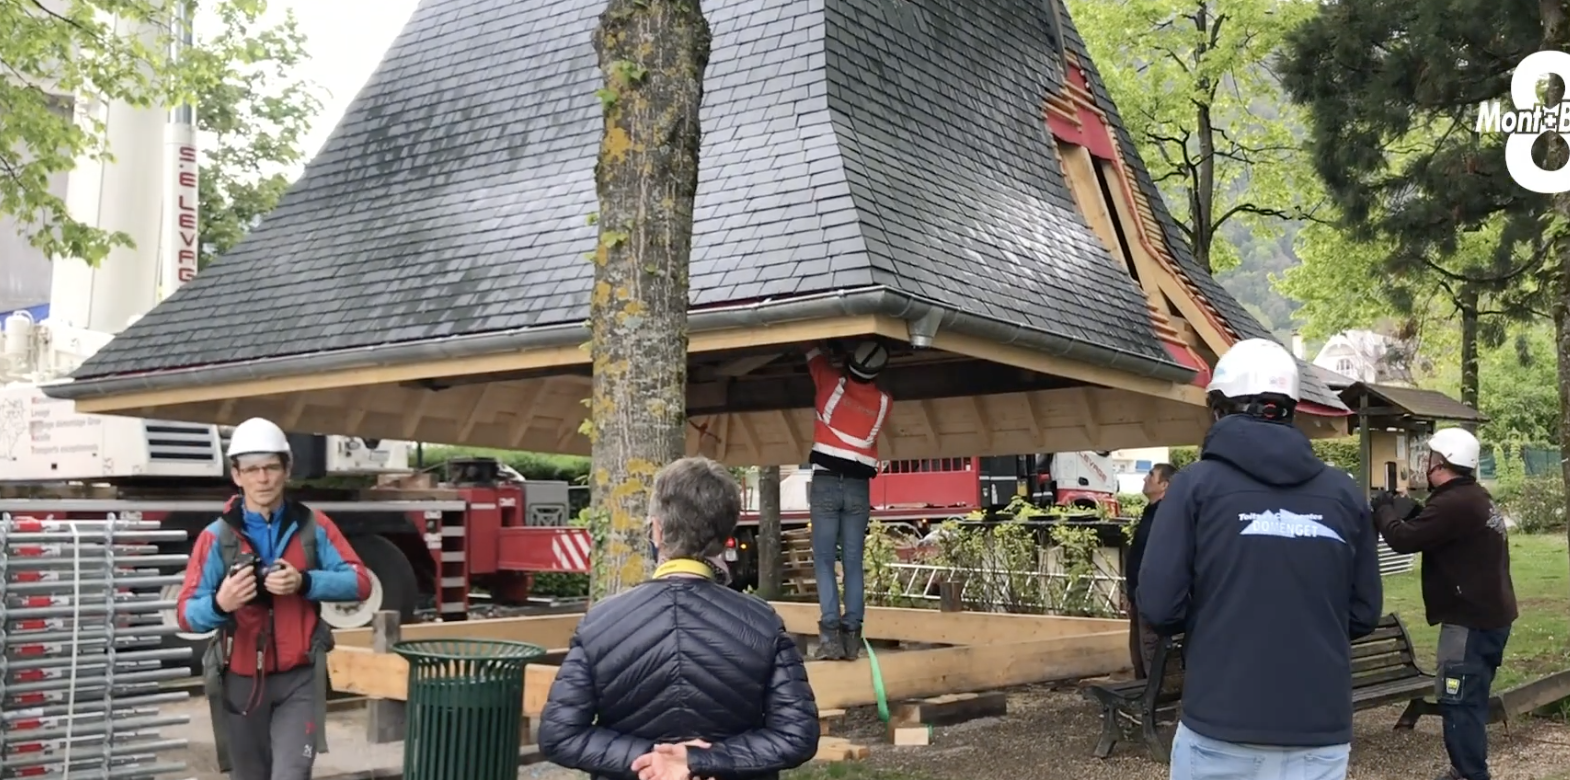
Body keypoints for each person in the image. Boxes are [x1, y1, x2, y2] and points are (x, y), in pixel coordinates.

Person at [1138, 338, 1383, 780]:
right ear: (1291, 408)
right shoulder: (1344, 494)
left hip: (1221, 721)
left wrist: (1217, 620)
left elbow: (1158, 605)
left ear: (1218, 409)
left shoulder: (1194, 488)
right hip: (1319, 728)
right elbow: (1364, 613)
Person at [538, 457, 819, 780]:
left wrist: (650, 762)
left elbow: (560, 735)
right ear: (727, 529)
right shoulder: (762, 622)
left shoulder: (601, 622)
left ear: (657, 529)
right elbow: (796, 736)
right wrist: (700, 760)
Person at [175, 418, 372, 780]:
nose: (262, 479)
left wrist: (305, 580)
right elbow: (187, 615)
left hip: (299, 679)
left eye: (270, 467)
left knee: (291, 775)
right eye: (251, 469)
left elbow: (360, 584)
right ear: (237, 475)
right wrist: (221, 603)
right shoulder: (215, 538)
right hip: (241, 682)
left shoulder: (315, 526)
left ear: (287, 469)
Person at [1371, 427, 1516, 780]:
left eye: (1430, 457)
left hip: (1469, 621)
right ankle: (1467, 769)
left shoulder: (1454, 503)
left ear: (1441, 462)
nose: (1426, 463)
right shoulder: (1473, 497)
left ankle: (1468, 773)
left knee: (1459, 699)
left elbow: (1403, 540)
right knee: (1472, 698)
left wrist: (1383, 510)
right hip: (1491, 616)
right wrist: (1414, 509)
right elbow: (1441, 530)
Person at [804, 339, 891, 661]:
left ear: (850, 364)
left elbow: (812, 353)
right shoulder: (884, 401)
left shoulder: (830, 386)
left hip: (826, 483)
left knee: (825, 560)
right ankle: (852, 638)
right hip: (858, 488)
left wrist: (830, 353)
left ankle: (829, 639)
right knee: (852, 561)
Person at [1123, 462, 1174, 677]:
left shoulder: (1167, 516)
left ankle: (1157, 704)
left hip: (1152, 597)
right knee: (1138, 654)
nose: (1145, 479)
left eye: (1151, 476)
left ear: (1164, 484)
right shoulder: (1151, 512)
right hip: (1138, 594)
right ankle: (1144, 698)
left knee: (1151, 653)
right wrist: (1130, 592)